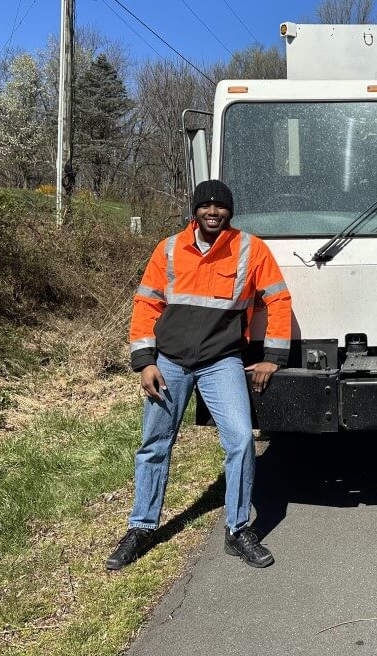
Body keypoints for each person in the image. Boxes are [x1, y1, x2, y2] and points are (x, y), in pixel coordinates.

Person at [106, 179, 292, 571]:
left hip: (221, 360)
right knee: (155, 443)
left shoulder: (249, 249)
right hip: (169, 362)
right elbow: (146, 304)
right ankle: (141, 528)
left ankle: (238, 529)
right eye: (205, 205)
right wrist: (145, 361)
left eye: (220, 206)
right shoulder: (169, 248)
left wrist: (274, 355)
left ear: (230, 212)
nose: (213, 211)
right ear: (195, 210)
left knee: (241, 439)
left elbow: (278, 298)